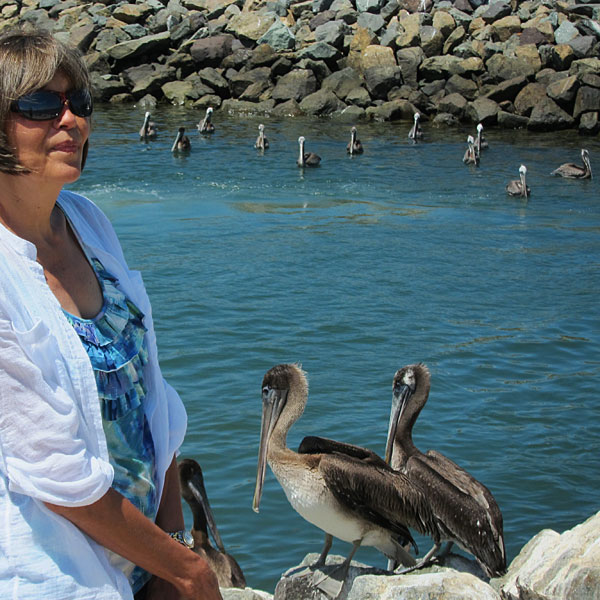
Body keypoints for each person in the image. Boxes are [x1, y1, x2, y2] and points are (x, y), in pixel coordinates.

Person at [0, 29, 223, 600]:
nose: (70, 120)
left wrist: (173, 545)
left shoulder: (87, 221)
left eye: (80, 105)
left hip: (150, 554)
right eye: (42, 106)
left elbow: (151, 392)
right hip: (63, 576)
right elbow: (55, 475)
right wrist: (189, 572)